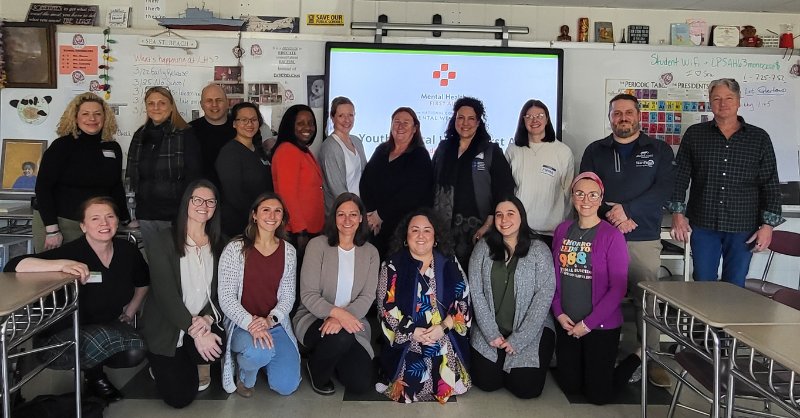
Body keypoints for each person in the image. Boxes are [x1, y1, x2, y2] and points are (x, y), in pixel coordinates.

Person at [5, 196, 149, 402]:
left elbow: (143, 282)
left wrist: (129, 312)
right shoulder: (71, 252)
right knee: (107, 338)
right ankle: (94, 376)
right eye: (95, 219)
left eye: (110, 217)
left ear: (118, 221)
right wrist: (61, 265)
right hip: (63, 331)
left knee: (135, 349)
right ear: (83, 226)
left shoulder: (128, 251)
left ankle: (93, 374)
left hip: (106, 325)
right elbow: (13, 266)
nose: (104, 223)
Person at [579, 93, 675, 388]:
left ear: (638, 116)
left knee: (647, 302)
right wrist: (613, 216)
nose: (623, 117)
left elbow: (665, 189)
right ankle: (602, 353)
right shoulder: (595, 150)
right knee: (597, 298)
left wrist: (629, 211)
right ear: (610, 118)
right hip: (602, 237)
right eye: (617, 113)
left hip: (642, 237)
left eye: (628, 112)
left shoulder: (659, 150)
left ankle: (650, 358)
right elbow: (585, 188)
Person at [668, 78, 784, 287]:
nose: (723, 103)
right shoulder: (695, 134)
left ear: (739, 101)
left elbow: (770, 184)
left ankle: (729, 321)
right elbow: (679, 177)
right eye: (717, 98)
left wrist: (768, 226)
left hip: (743, 226)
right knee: (703, 282)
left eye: (729, 98)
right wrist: (677, 214)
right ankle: (704, 322)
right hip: (703, 224)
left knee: (735, 285)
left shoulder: (759, 138)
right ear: (710, 102)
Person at [551, 172, 640, 405]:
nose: (586, 200)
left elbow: (618, 288)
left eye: (593, 195)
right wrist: (559, 313)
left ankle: (636, 359)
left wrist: (588, 324)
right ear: (572, 197)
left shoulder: (612, 236)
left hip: (600, 326)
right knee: (570, 386)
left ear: (601, 199)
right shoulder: (562, 230)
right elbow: (553, 277)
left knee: (598, 396)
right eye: (579, 193)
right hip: (567, 323)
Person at [140, 180, 226, 408]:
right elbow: (165, 295)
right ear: (186, 203)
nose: (203, 206)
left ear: (216, 207)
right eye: (197, 199)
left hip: (201, 323)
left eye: (210, 201)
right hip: (168, 327)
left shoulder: (219, 244)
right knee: (180, 397)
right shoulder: (163, 240)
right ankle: (159, 363)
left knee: (218, 347)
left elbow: (221, 291)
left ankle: (193, 356)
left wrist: (207, 319)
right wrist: (197, 333)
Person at [376, 208, 472, 403]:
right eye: (414, 230)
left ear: (435, 236)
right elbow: (385, 307)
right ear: (406, 236)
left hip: (442, 334)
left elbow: (463, 300)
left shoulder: (449, 262)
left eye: (427, 230)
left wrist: (443, 328)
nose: (421, 236)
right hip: (408, 336)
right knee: (407, 385)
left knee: (447, 378)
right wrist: (413, 331)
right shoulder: (393, 265)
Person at [468, 196, 555, 399]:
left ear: (521, 217)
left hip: (530, 331)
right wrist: (490, 332)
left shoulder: (539, 250)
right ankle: (500, 360)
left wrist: (519, 339)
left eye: (510, 213)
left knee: (526, 389)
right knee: (487, 382)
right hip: (490, 328)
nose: (504, 219)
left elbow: (544, 296)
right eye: (499, 215)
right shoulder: (483, 247)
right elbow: (475, 291)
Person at [293, 193, 379, 395]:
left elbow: (368, 297)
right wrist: (337, 315)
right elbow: (309, 294)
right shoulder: (317, 246)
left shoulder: (370, 252)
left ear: (361, 218)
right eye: (341, 214)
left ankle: (333, 357)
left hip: (353, 322)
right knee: (339, 339)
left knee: (360, 384)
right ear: (334, 218)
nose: (347, 220)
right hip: (313, 318)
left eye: (353, 214)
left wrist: (342, 319)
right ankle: (316, 370)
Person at [218, 193, 301, 397]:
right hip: (241, 325)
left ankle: (262, 359)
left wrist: (270, 320)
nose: (271, 215)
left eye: (277, 211)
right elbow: (226, 297)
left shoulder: (288, 251)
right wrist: (251, 323)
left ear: (282, 218)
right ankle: (247, 376)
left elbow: (288, 296)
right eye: (266, 210)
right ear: (254, 215)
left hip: (274, 324)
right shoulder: (235, 249)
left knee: (287, 386)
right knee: (259, 352)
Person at [33, 92, 129, 252]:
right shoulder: (62, 146)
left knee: (95, 274)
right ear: (75, 117)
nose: (92, 119)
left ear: (105, 118)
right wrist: (52, 229)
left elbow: (116, 187)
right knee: (59, 275)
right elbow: (43, 188)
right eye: (85, 114)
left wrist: (126, 219)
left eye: (97, 114)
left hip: (97, 226)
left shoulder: (113, 147)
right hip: (62, 223)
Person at [432, 97, 515, 271]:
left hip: (478, 231)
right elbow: (431, 184)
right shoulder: (443, 148)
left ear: (478, 123)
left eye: (471, 118)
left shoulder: (490, 151)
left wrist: (489, 223)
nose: (465, 123)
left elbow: (504, 189)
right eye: (460, 117)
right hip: (443, 230)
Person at [126, 86, 202, 258]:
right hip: (146, 213)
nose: (156, 107)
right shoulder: (140, 135)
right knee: (154, 263)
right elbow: (133, 175)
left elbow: (193, 176)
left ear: (171, 106)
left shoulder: (185, 133)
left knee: (176, 263)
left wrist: (188, 213)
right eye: (151, 103)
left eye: (162, 103)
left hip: (175, 214)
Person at [360, 107, 434, 257]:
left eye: (406, 123)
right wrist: (371, 215)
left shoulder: (420, 156)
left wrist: (381, 214)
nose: (400, 126)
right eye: (396, 122)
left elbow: (412, 193)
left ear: (415, 129)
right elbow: (365, 182)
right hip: (374, 227)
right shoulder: (381, 150)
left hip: (402, 228)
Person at [506, 99, 573, 248]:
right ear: (522, 120)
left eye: (540, 115)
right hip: (519, 231)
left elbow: (569, 195)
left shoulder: (562, 151)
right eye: (529, 116)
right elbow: (506, 190)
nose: (534, 120)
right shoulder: (513, 150)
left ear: (547, 119)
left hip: (551, 234)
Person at [271, 104, 324, 259]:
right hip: (297, 233)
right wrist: (300, 231)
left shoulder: (302, 150)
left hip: (310, 229)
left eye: (310, 123)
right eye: (300, 123)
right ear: (290, 126)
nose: (307, 127)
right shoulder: (288, 150)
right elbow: (288, 195)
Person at [216, 102, 273, 237]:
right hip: (241, 226)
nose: (249, 124)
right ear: (234, 124)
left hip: (262, 222)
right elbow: (234, 195)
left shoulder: (258, 150)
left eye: (253, 120)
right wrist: (256, 217)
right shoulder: (229, 153)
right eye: (243, 120)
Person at [318, 97, 367, 214]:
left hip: (359, 209)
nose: (347, 120)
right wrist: (354, 211)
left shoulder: (357, 141)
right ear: (332, 117)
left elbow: (365, 175)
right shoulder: (330, 146)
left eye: (350, 115)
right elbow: (337, 189)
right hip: (341, 212)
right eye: (341, 116)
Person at [190, 84, 234, 189]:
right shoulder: (189, 131)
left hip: (236, 193)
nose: (214, 104)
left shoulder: (240, 127)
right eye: (209, 101)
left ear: (228, 103)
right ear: (201, 104)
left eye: (219, 100)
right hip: (202, 195)